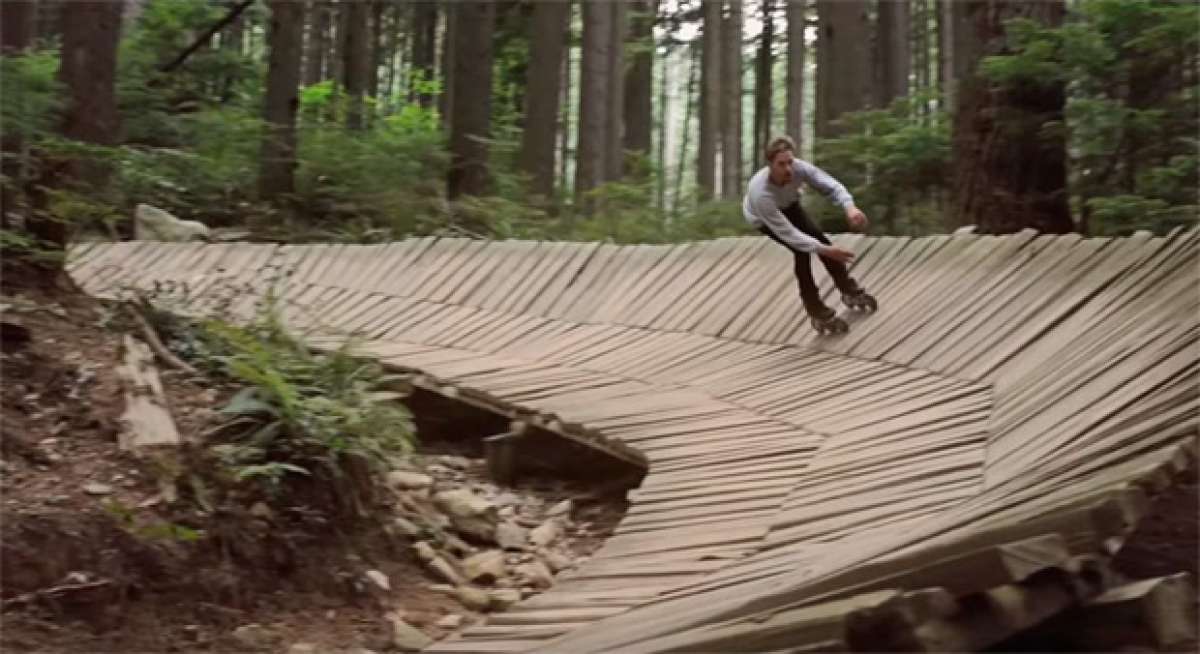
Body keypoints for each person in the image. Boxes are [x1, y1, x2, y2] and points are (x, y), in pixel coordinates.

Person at [742, 135, 877, 333]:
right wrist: (824, 250)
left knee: (820, 239)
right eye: (781, 164)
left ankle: (849, 289)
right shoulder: (760, 193)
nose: (788, 169)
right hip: (764, 217)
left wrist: (850, 208)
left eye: (790, 162)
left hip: (790, 203)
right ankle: (815, 309)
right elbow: (789, 234)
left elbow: (831, 185)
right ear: (769, 164)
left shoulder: (799, 168)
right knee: (802, 251)